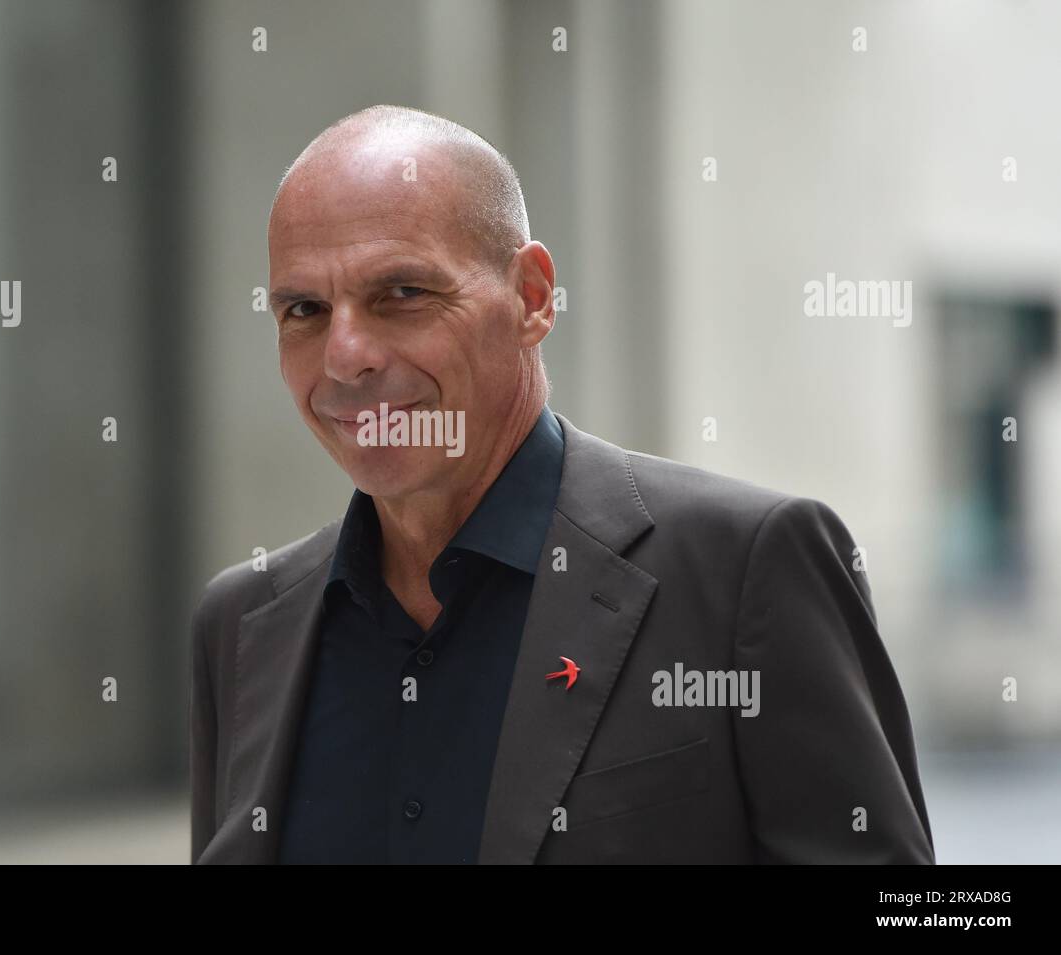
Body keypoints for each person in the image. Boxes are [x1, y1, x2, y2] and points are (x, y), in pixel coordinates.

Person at [189, 104, 935, 864]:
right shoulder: (242, 621)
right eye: (304, 309)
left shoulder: (747, 570)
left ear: (533, 297)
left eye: (402, 294)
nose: (346, 356)